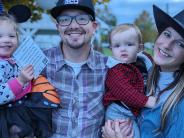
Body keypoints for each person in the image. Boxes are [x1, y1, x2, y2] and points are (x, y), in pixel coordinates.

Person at [102, 5, 184, 138]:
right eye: (167, 34)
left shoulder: (179, 102)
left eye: (181, 44)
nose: (167, 45)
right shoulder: (147, 72)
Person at [44, 0, 109, 137]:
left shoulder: (108, 67)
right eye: (65, 19)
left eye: (82, 19)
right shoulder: (39, 63)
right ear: (58, 27)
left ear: (94, 26)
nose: (73, 25)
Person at [0, 4, 60, 138]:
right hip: (7, 117)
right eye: (0, 36)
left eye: (11, 36)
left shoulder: (13, 59)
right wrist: (20, 81)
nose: (6, 40)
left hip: (21, 109)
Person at [103, 23, 156, 138]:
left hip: (134, 110)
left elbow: (153, 66)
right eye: (117, 46)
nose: (123, 49)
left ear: (140, 48)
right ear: (111, 49)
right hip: (118, 111)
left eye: (129, 44)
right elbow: (126, 92)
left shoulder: (143, 62)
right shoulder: (115, 70)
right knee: (131, 135)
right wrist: (146, 101)